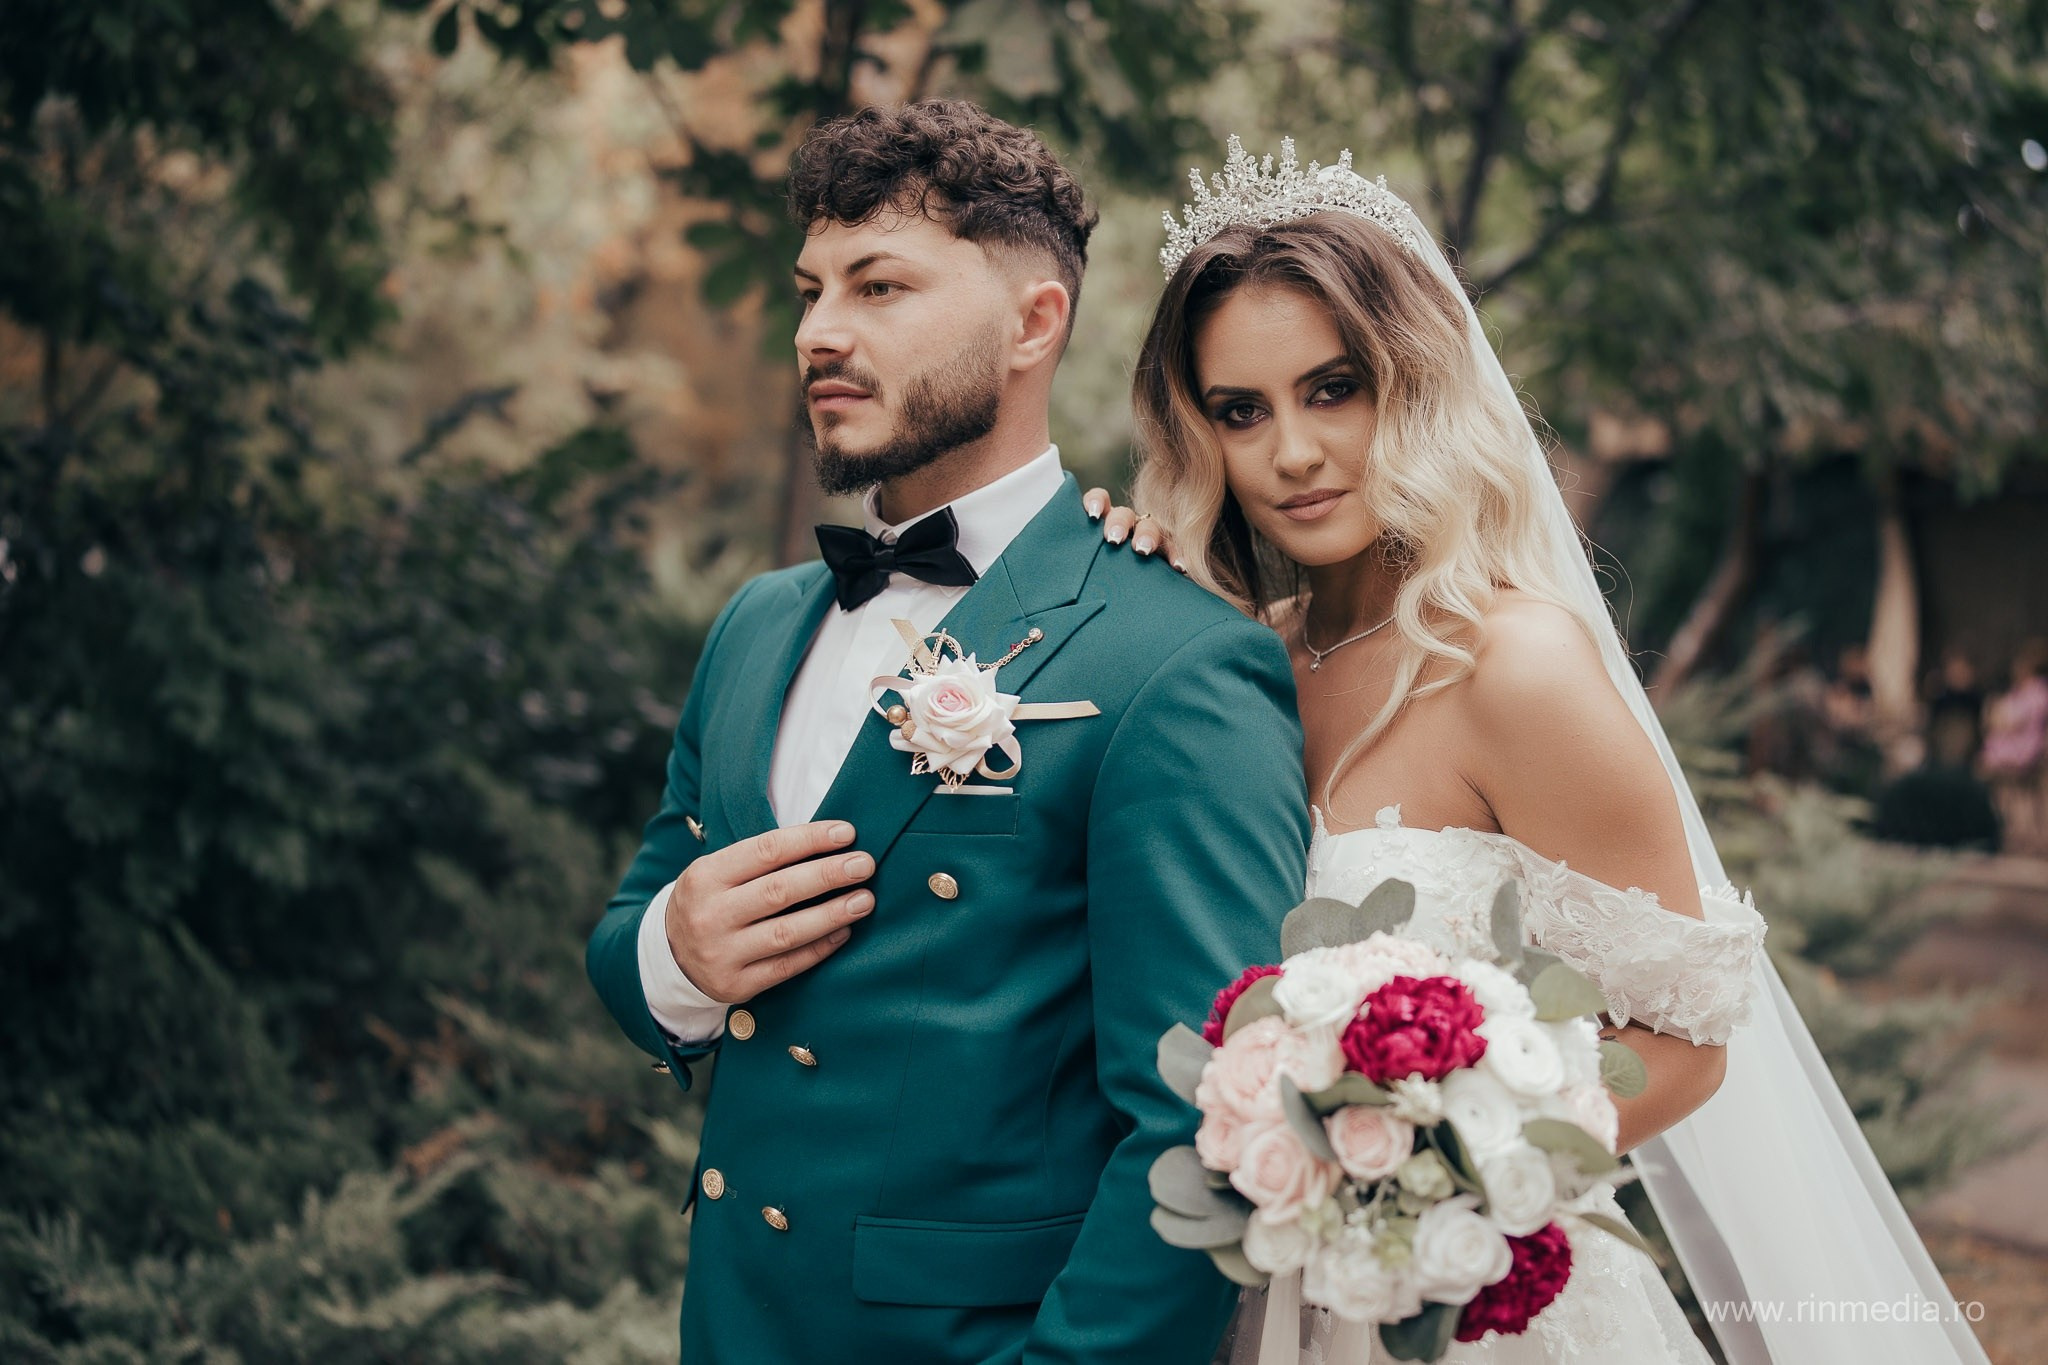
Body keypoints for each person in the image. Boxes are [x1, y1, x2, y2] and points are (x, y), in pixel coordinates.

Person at [1088, 137, 1989, 1364]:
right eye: (1239, 411)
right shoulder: (1235, 667)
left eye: (1332, 388)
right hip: (1242, 1302)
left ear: (1412, 384)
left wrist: (1432, 1165)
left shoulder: (1511, 665)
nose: (1289, 452)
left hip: (1468, 1305)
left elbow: (1687, 1046)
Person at [583, 102, 1310, 1364]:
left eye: (878, 286)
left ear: (1033, 324)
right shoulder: (755, 624)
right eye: (810, 290)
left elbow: (1206, 1119)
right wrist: (673, 954)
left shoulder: (1174, 660)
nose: (819, 331)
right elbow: (635, 922)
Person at [1981, 640, 2048, 853]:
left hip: (2024, 751)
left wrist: (1998, 719)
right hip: (2012, 746)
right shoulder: (2020, 692)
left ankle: (1992, 822)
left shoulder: (2037, 693)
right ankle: (1994, 821)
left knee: (1984, 769)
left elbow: (2008, 721)